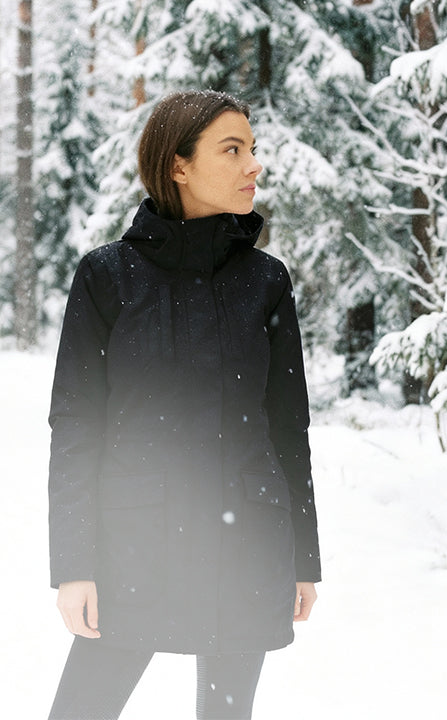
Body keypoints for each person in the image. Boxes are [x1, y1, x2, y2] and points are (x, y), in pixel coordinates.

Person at [47, 90, 321, 720]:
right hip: (132, 549)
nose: (254, 165)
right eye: (233, 149)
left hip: (247, 544)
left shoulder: (266, 281)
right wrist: (74, 564)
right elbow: (76, 427)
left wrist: (302, 558)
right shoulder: (107, 276)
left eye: (253, 149)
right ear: (179, 165)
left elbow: (288, 427)